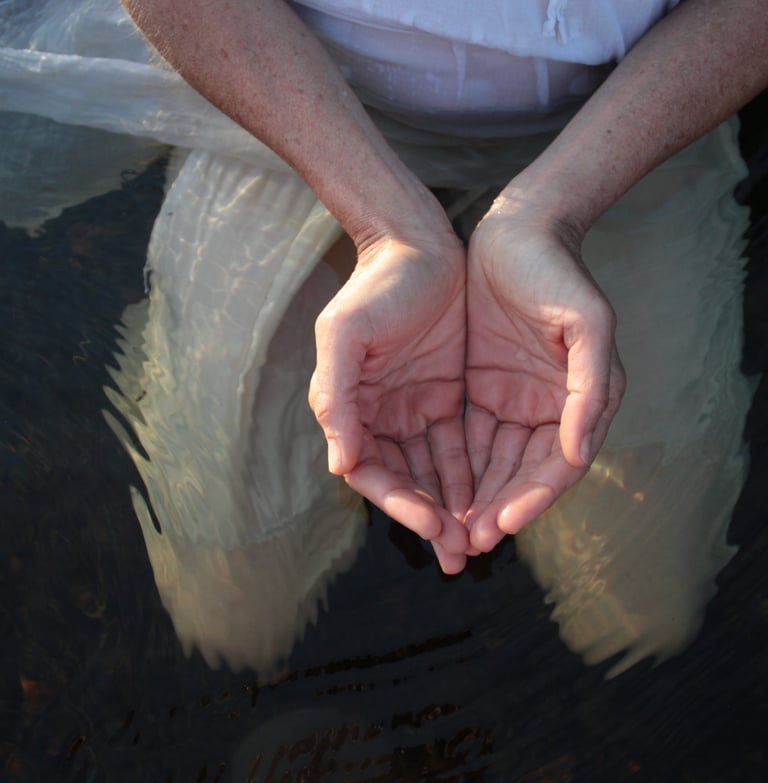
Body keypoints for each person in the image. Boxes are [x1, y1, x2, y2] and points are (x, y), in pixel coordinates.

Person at [116, 0, 768, 574]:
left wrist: (552, 215)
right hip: (296, 104)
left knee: (639, 595)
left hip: (638, 115)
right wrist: (386, 226)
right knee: (231, 598)